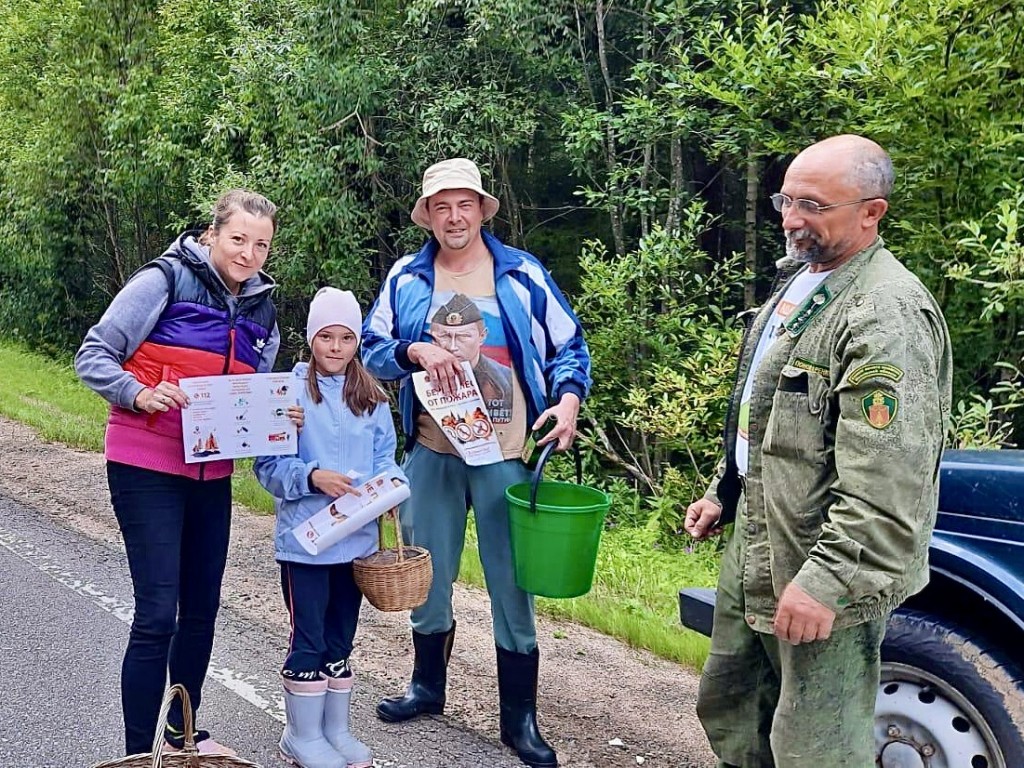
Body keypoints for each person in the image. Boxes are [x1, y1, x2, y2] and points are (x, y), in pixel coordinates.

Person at [683, 135, 953, 768]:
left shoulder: (885, 313)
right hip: (756, 534)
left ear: (871, 211)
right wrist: (726, 491)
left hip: (821, 561)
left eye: (812, 205)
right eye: (786, 200)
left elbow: (890, 480)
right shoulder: (803, 281)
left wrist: (825, 582)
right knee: (734, 706)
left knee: (817, 745)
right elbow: (766, 414)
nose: (792, 219)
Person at [362, 158, 591, 768]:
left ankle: (520, 720)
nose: (454, 216)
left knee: (510, 581)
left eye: (464, 204)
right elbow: (372, 349)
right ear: (428, 216)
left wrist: (567, 403)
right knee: (425, 572)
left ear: (482, 210)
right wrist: (411, 349)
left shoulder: (521, 274)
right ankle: (427, 688)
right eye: (441, 206)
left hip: (505, 451)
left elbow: (570, 345)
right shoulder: (408, 279)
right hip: (433, 450)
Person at [75, 190, 284, 756]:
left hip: (211, 477)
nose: (248, 253)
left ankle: (181, 732)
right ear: (212, 233)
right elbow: (92, 355)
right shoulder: (163, 281)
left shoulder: (264, 310)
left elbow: (253, 401)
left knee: (201, 612)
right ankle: (139, 751)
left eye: (260, 244)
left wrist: (278, 418)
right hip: (146, 464)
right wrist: (138, 394)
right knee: (157, 613)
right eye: (238, 239)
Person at [254, 287, 405, 768]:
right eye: (325, 337)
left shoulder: (374, 397)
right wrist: (312, 476)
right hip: (307, 544)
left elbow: (387, 460)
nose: (335, 347)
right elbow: (268, 465)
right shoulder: (289, 392)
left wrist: (392, 488)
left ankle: (335, 729)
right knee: (310, 638)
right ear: (311, 338)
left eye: (345, 337)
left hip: (357, 544)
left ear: (357, 340)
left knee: (341, 639)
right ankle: (300, 736)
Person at [427, 292, 514, 419]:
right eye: (444, 336)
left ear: (482, 336)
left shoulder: (504, 379)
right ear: (432, 337)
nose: (452, 347)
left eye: (463, 336)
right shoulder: (420, 374)